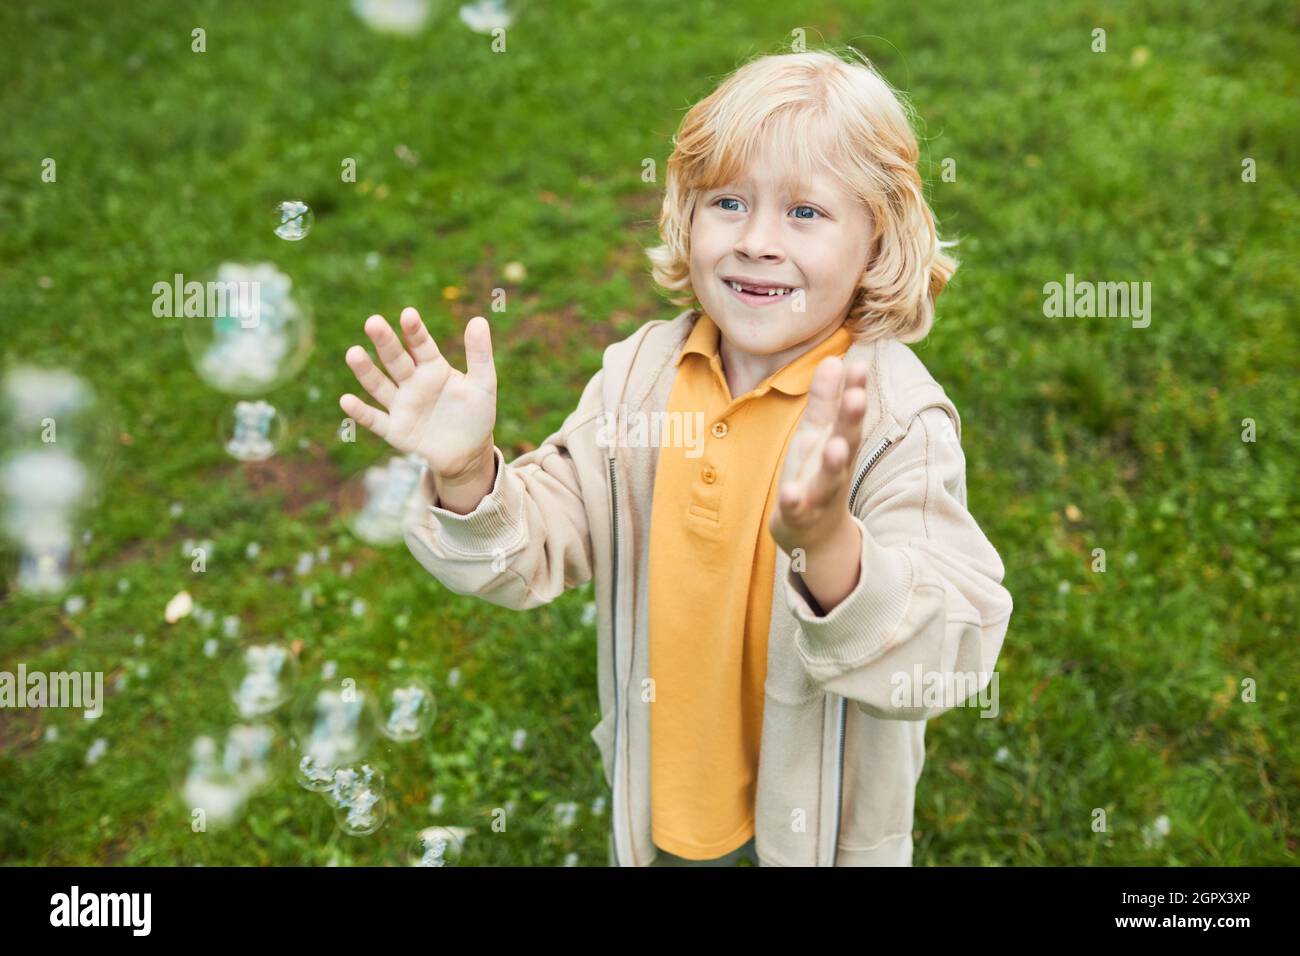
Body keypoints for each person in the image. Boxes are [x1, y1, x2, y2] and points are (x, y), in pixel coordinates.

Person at [339, 47, 1013, 867]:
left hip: (816, 831)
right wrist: (465, 472)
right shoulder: (641, 379)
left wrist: (830, 545)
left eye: (806, 213)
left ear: (878, 242)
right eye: (728, 202)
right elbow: (536, 547)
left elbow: (951, 657)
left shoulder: (893, 420)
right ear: (685, 219)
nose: (758, 241)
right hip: (666, 805)